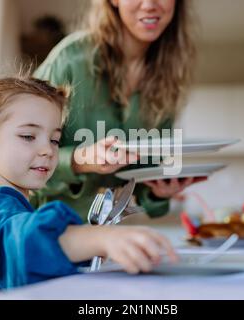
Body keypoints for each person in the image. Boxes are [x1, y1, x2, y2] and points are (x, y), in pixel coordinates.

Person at [0, 65, 177, 289]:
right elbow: (27, 243)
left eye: (54, 139)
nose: (48, 150)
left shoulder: (13, 206)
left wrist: (93, 251)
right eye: (28, 136)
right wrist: (100, 238)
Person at [32, 0, 205, 221]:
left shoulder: (168, 77)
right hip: (47, 232)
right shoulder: (71, 59)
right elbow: (22, 159)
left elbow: (145, 182)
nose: (150, 4)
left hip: (111, 240)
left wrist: (158, 191)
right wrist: (79, 160)